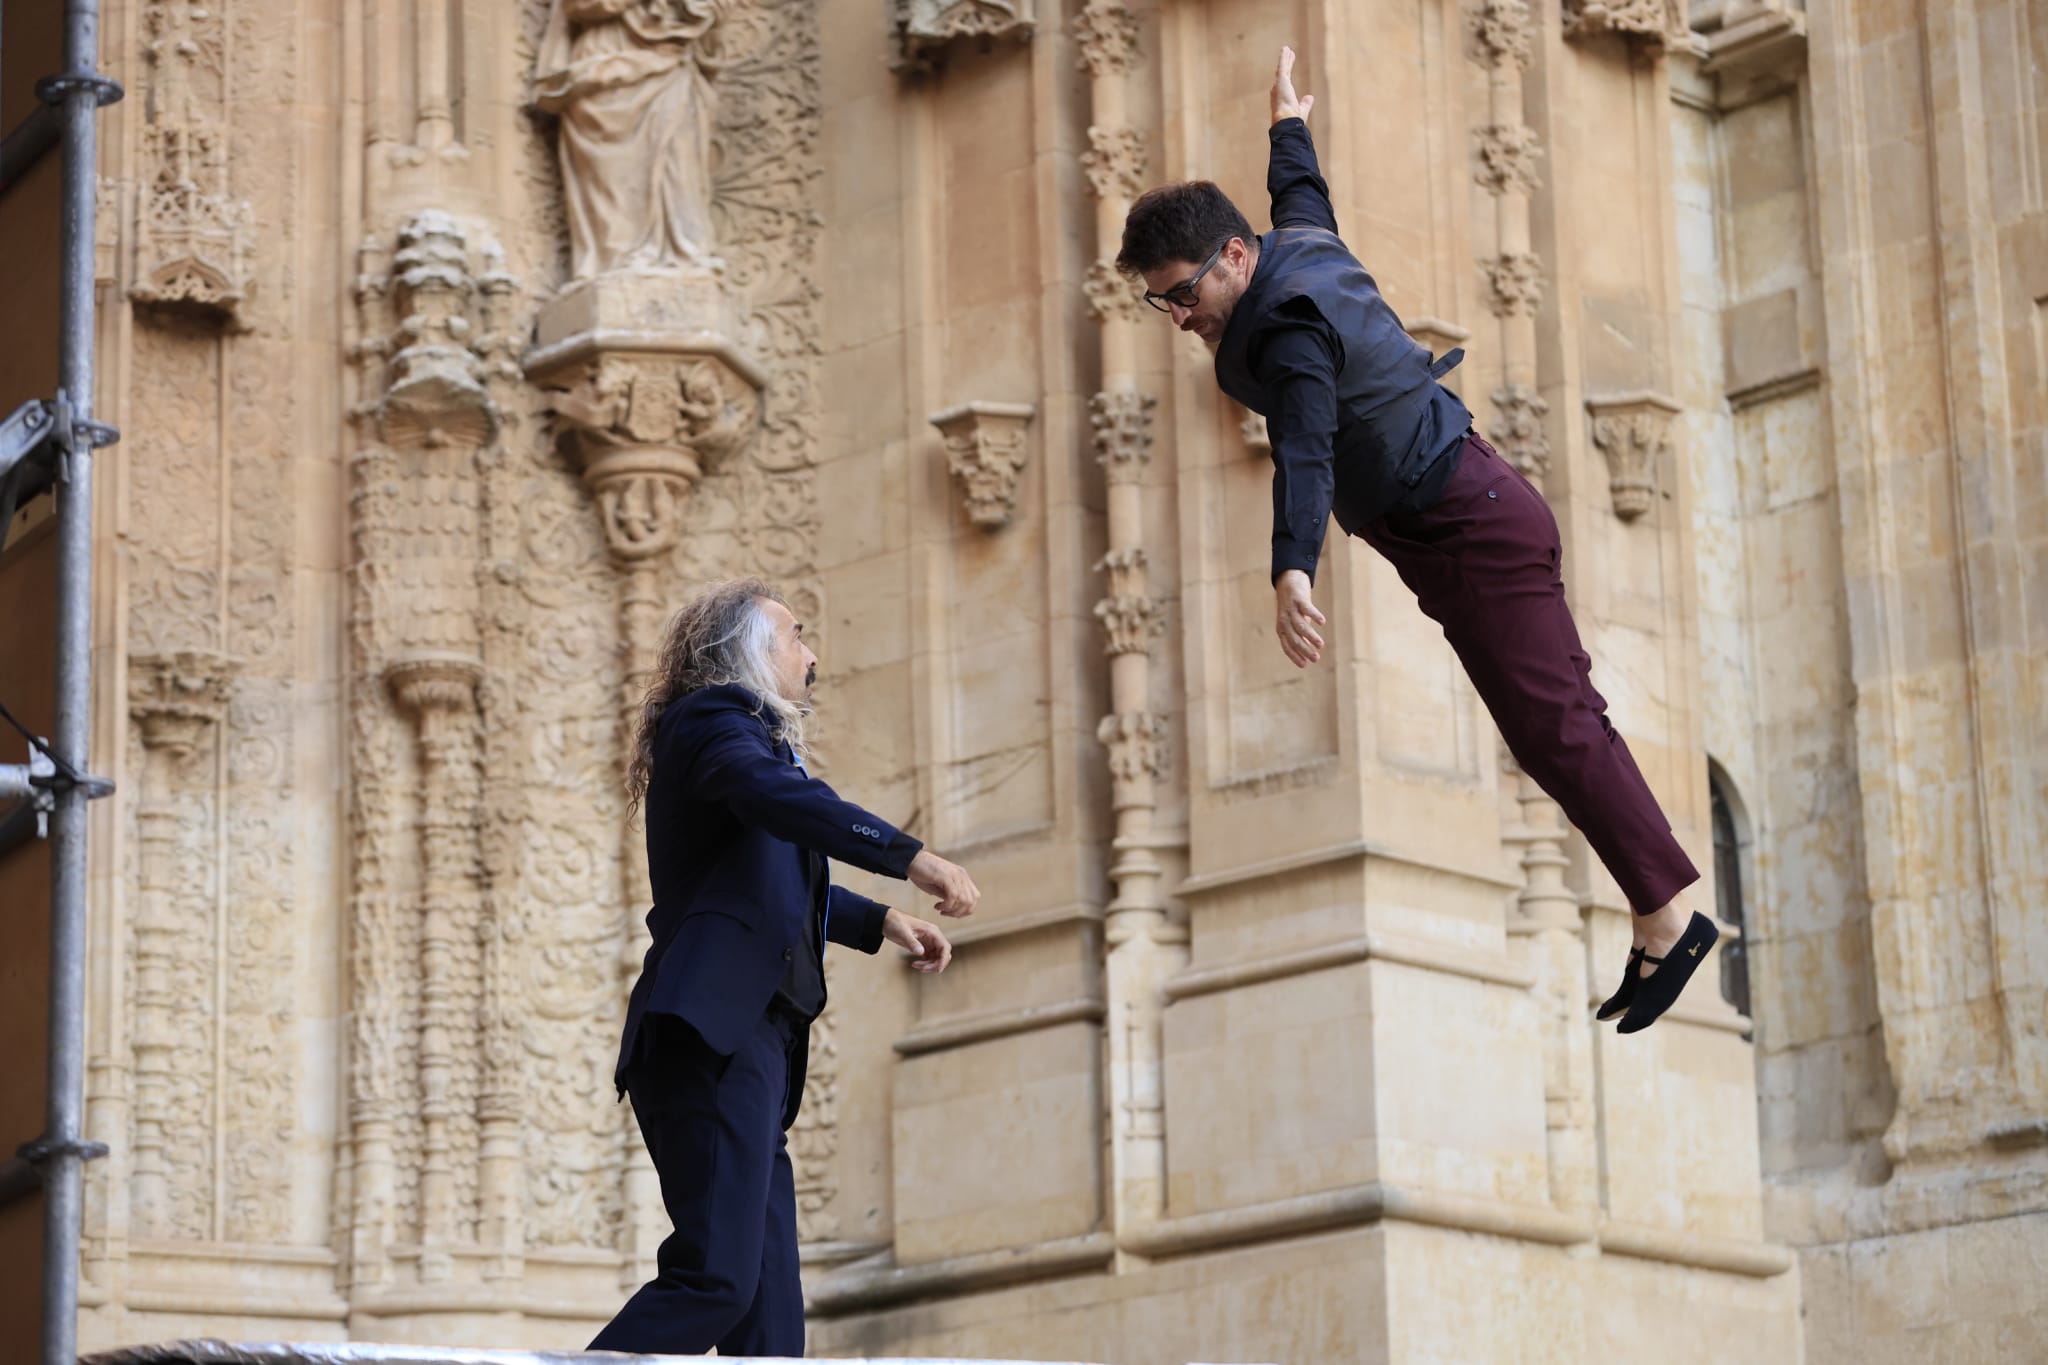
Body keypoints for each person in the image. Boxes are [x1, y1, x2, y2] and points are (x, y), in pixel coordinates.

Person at [1115, 48, 1716, 1033]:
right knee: (1555, 723)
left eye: (1180, 292)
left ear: (1231, 258)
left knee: (1556, 727)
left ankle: (1664, 918)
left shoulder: (1284, 327)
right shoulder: (1296, 245)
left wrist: (1291, 568)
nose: (1177, 316)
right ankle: (1659, 914)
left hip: (1468, 528)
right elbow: (1300, 192)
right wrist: (1285, 124)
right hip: (1467, 516)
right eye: (1159, 303)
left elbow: (1304, 448)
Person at [587, 577, 981, 1355]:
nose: (813, 654)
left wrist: (881, 921)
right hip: (714, 1038)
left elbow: (765, 885)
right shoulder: (711, 724)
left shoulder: (748, 756)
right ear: (746, 652)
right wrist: (910, 858)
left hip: (749, 1047)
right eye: (797, 634)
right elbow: (776, 803)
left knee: (769, 1329)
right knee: (716, 1280)